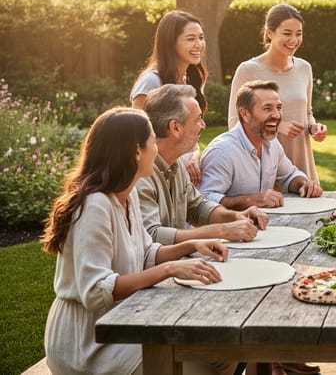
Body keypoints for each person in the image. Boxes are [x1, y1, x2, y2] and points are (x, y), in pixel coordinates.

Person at [41, 107, 228, 375]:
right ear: (136, 152)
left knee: (218, 353)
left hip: (125, 319)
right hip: (88, 342)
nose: (157, 147)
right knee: (204, 361)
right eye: (153, 140)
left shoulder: (127, 196)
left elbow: (146, 251)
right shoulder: (94, 206)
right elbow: (95, 290)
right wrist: (170, 268)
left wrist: (191, 246)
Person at [138, 84, 270, 245]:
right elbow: (151, 235)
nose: (204, 125)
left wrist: (235, 216)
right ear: (175, 128)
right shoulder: (140, 174)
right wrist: (221, 231)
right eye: (198, 119)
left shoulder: (175, 164)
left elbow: (198, 207)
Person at [228, 3, 327, 188]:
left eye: (299, 34)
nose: (294, 40)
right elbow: (234, 123)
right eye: (287, 33)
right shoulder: (248, 70)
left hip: (302, 161)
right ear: (269, 33)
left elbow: (307, 113)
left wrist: (314, 127)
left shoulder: (304, 68)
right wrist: (278, 126)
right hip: (264, 165)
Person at [200, 80, 323, 210]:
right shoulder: (222, 151)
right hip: (228, 228)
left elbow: (289, 176)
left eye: (279, 108)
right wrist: (252, 200)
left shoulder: (272, 143)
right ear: (244, 114)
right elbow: (205, 199)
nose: (277, 115)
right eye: (267, 108)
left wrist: (303, 184)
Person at [130, 10, 208, 186]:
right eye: (191, 39)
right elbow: (137, 135)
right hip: (153, 174)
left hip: (181, 172)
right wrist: (180, 162)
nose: (199, 45)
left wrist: (193, 157)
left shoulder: (191, 80)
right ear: (171, 43)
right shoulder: (151, 81)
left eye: (201, 38)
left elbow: (192, 130)